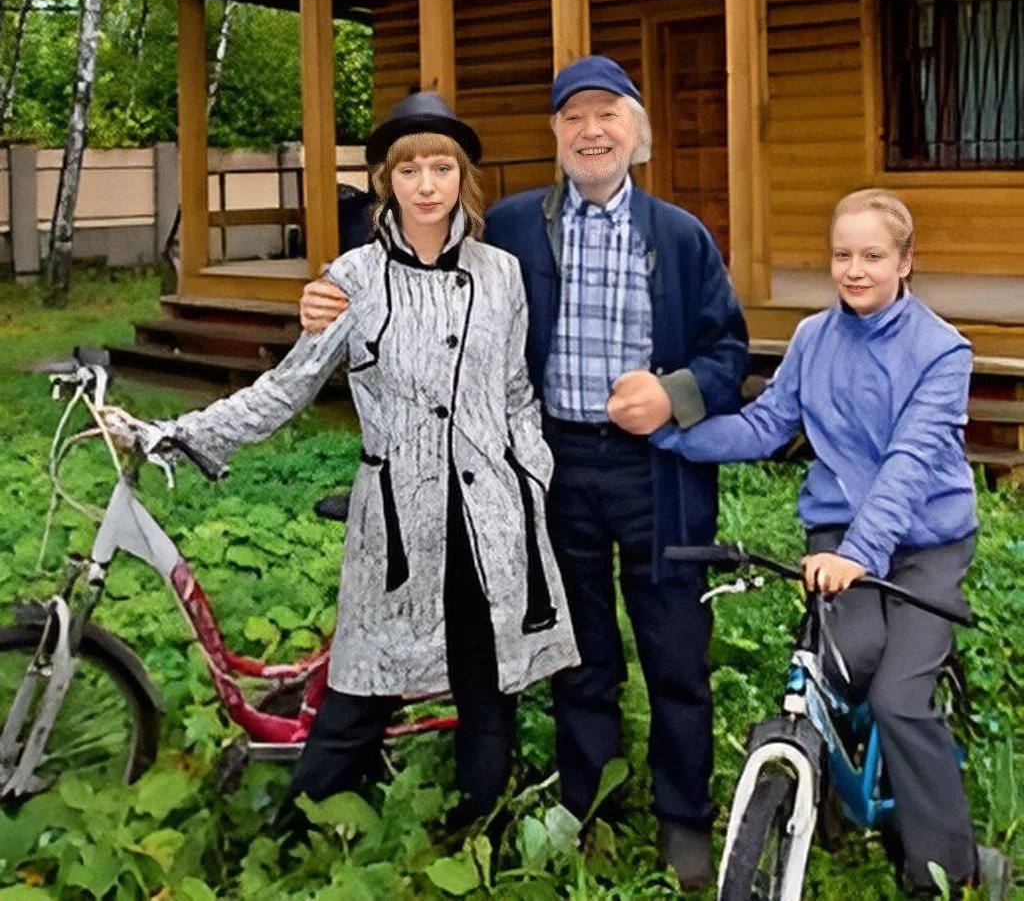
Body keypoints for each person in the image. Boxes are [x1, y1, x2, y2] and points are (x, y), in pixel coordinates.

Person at [301, 57, 749, 889]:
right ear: (555, 135)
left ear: (637, 131)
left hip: (660, 474)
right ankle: (589, 802)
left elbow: (728, 350)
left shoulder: (680, 236)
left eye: (608, 115)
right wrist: (327, 294)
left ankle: (683, 817)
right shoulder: (512, 227)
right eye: (573, 117)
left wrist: (675, 393)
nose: (591, 131)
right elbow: (418, 260)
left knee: (676, 651)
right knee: (578, 649)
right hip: (553, 466)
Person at [107, 93, 580, 825]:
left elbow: (517, 392)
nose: (427, 186)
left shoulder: (502, 275)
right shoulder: (352, 279)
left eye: (442, 168)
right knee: (362, 688)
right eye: (410, 170)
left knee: (487, 683)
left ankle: (474, 827)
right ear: (388, 182)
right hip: (399, 521)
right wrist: (180, 432)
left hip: (490, 517)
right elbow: (286, 388)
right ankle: (298, 831)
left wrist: (531, 474)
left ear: (463, 177)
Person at [625, 188, 979, 894]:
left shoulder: (942, 352)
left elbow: (908, 464)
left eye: (872, 256)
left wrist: (857, 556)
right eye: (842, 255)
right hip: (838, 535)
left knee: (899, 698)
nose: (855, 270)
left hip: (924, 544)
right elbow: (765, 425)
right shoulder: (815, 338)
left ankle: (946, 868)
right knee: (846, 666)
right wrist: (666, 433)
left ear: (905, 262)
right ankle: (839, 795)